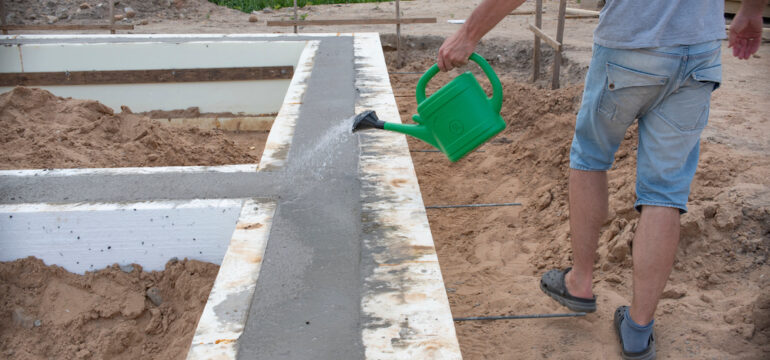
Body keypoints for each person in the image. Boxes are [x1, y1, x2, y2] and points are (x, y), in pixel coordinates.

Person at [437, 1, 766, 359]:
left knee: (591, 159)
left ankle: (580, 281)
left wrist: (468, 34)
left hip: (628, 47)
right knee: (665, 191)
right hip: (698, 49)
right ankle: (639, 329)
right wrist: (751, 10)